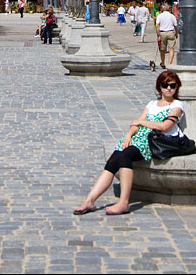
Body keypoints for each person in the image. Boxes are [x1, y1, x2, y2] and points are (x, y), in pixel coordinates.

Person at [73, 70, 184, 216]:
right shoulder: (152, 104)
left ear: (177, 87)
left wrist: (141, 122)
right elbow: (135, 123)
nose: (168, 88)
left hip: (155, 141)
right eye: (165, 85)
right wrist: (128, 135)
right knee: (114, 158)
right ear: (159, 87)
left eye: (172, 85)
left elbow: (164, 126)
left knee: (125, 157)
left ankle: (124, 203)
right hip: (139, 137)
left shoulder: (176, 105)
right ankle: (90, 200)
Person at [155, 3, 178, 68]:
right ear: (168, 9)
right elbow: (175, 26)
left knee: (162, 49)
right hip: (171, 32)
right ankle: (169, 64)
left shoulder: (160, 16)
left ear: (162, 9)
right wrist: (176, 33)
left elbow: (157, 26)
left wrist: (158, 35)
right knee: (171, 49)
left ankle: (163, 63)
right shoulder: (172, 16)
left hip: (162, 33)